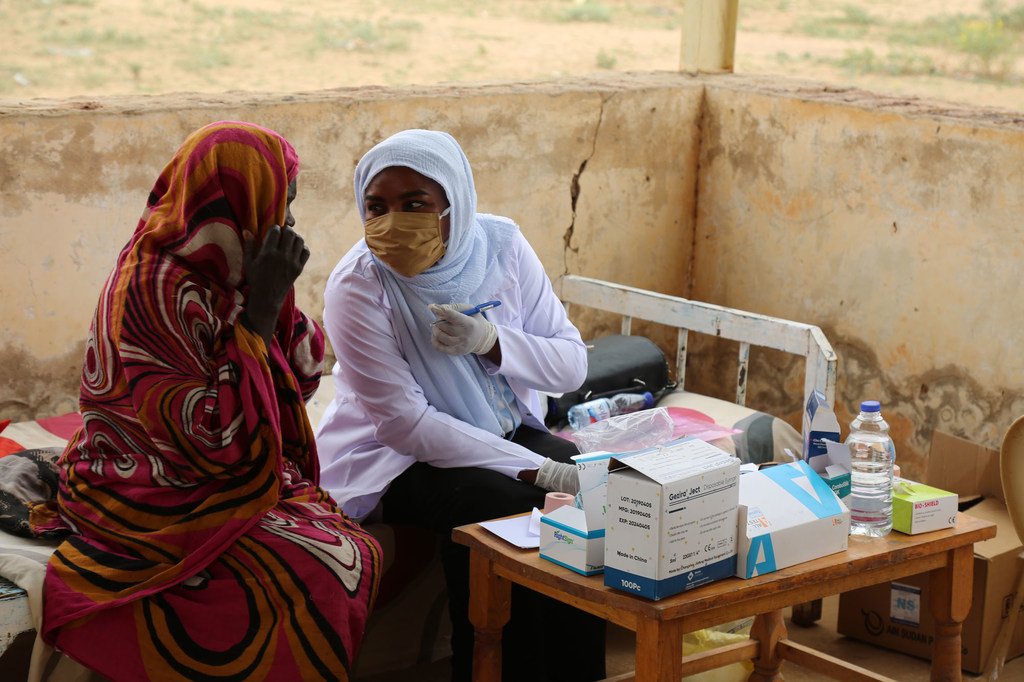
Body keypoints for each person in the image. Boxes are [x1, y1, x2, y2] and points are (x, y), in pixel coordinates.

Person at [36, 121, 382, 681]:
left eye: (288, 205)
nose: (289, 222)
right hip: (147, 486)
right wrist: (262, 306)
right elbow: (214, 440)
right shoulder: (152, 289)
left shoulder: (228, 274)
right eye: (279, 204)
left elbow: (303, 373)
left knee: (349, 542)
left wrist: (271, 298)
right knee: (318, 565)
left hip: (218, 474)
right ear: (233, 203)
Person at [316, 129, 605, 681]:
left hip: (499, 426)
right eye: (376, 207)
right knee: (494, 504)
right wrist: (536, 469)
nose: (393, 222)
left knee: (588, 491)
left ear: (456, 203)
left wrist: (491, 341)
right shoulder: (358, 286)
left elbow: (571, 364)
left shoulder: (501, 246)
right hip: (392, 457)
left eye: (415, 204)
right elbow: (406, 425)